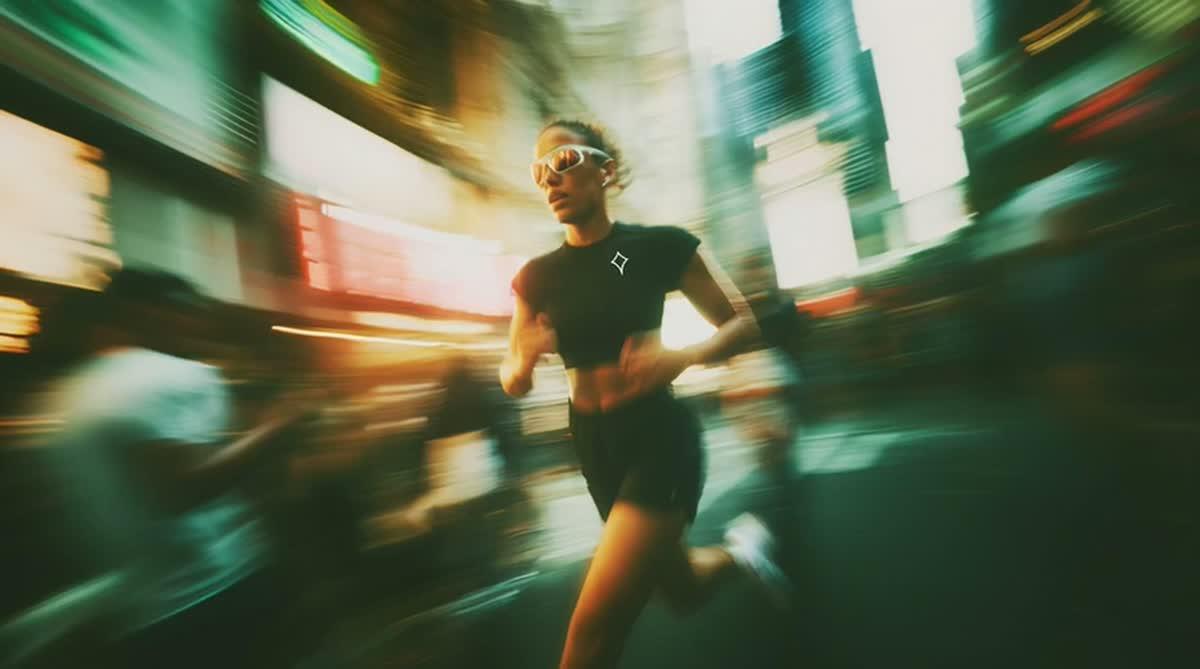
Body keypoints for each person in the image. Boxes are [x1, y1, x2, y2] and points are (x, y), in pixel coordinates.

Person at [500, 119, 790, 668]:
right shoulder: (535, 278)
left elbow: (743, 323)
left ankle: (738, 553)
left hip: (659, 438)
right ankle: (740, 553)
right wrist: (526, 357)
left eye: (563, 163)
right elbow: (510, 379)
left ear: (604, 171)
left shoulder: (652, 248)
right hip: (594, 446)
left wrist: (681, 358)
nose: (549, 181)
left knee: (590, 633)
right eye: (540, 172)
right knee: (682, 592)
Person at [28, 268, 315, 668]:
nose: (201, 325)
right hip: (214, 591)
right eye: (190, 311)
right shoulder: (166, 374)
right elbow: (187, 486)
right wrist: (277, 427)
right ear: (152, 313)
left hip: (140, 614)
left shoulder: (62, 399)